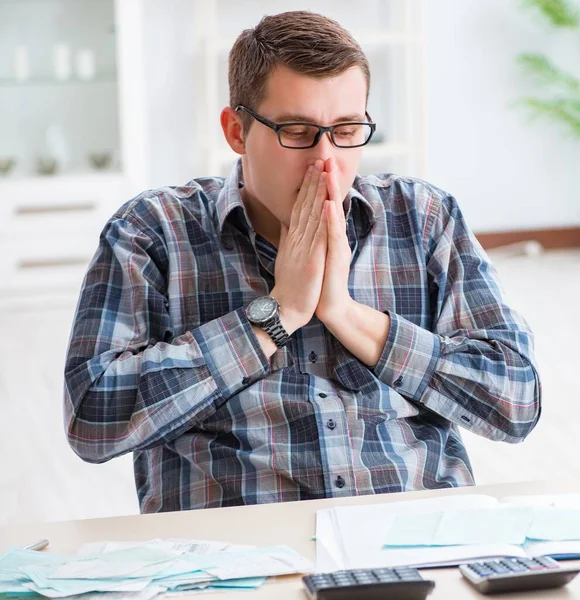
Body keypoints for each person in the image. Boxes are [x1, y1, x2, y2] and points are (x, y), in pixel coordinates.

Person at [64, 11, 541, 513]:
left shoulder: (424, 218)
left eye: (347, 129)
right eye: (297, 131)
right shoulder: (152, 229)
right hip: (234, 560)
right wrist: (278, 314)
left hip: (412, 540)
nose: (326, 160)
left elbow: (516, 401)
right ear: (236, 130)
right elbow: (93, 419)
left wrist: (347, 315)